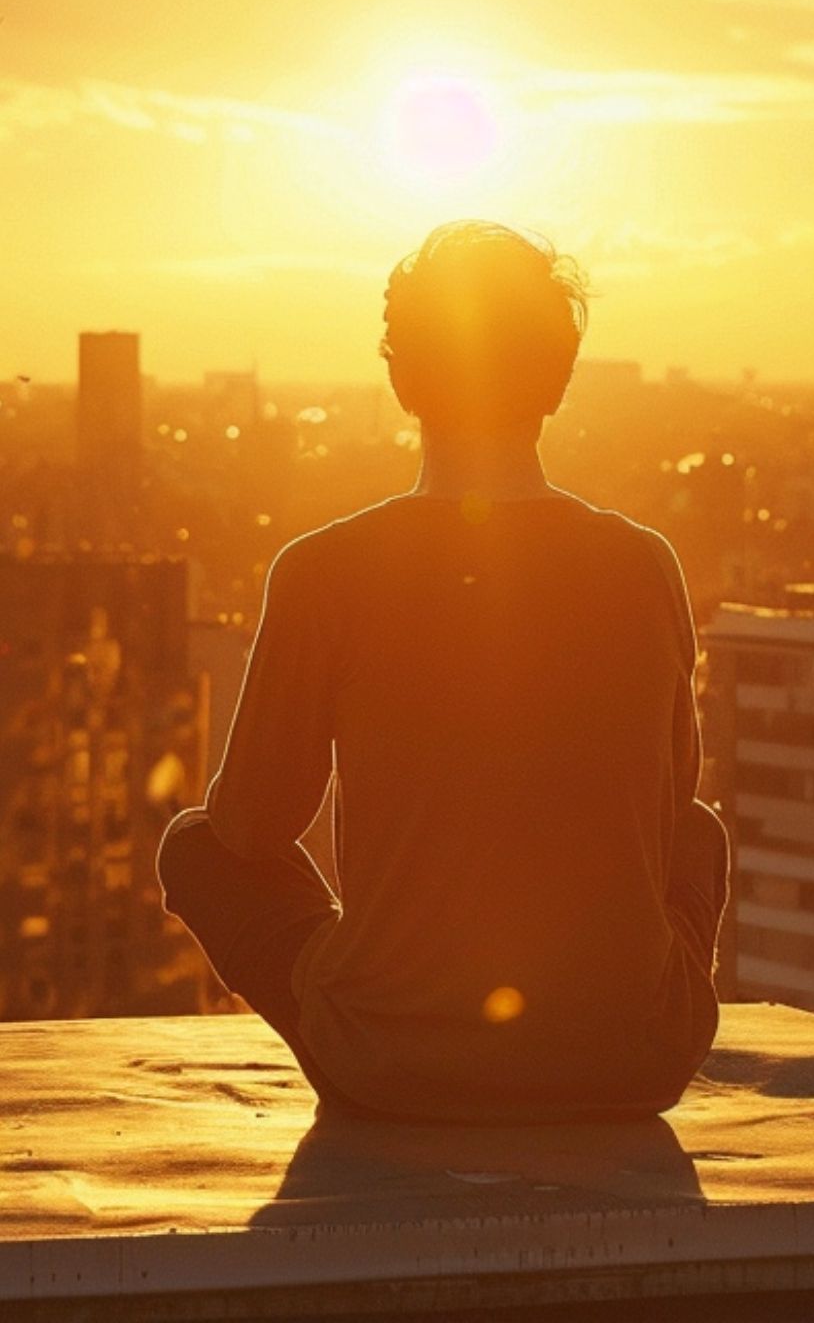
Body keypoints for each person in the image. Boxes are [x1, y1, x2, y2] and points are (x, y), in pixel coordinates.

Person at [157, 219, 729, 1123]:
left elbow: (252, 829)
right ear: (556, 380)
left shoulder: (323, 571)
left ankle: (383, 990)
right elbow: (669, 817)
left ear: (403, 379)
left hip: (395, 1066)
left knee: (195, 847)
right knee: (699, 833)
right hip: (629, 1060)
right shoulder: (644, 564)